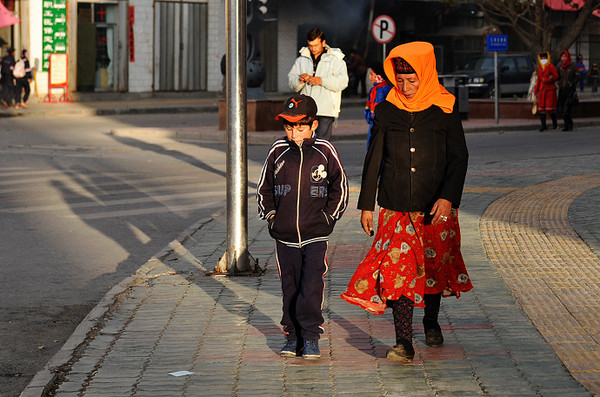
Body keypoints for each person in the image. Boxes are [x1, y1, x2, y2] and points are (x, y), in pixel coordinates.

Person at [340, 41, 472, 363]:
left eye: (412, 80)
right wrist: (367, 205)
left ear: (425, 74)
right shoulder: (387, 109)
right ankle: (404, 342)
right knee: (398, 273)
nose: (405, 87)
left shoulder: (445, 107)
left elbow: (459, 158)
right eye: (400, 80)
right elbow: (374, 159)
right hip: (395, 206)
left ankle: (430, 320)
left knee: (430, 270)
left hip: (434, 208)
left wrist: (447, 198)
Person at [257, 94, 349, 360]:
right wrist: (272, 216)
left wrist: (328, 217)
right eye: (288, 126)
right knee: (290, 286)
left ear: (314, 125)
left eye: (300, 126)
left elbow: (339, 187)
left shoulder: (325, 151)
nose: (294, 133)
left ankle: (310, 337)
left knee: (311, 286)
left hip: (315, 235)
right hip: (284, 237)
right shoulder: (277, 151)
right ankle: (292, 335)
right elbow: (264, 188)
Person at [288, 28, 349, 140]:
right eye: (310, 45)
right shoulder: (301, 60)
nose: (313, 49)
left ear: (323, 42)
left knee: (321, 143)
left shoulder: (336, 60)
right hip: (306, 110)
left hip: (326, 109)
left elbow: (343, 82)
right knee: (305, 141)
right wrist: (300, 80)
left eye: (316, 45)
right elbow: (291, 83)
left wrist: (322, 81)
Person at [364, 61, 392, 147]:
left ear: (379, 76)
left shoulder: (386, 89)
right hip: (373, 123)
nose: (370, 77)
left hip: (382, 124)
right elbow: (368, 106)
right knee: (371, 145)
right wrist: (369, 116)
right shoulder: (373, 90)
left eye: (372, 75)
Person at [534, 51, 558, 131]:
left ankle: (555, 124)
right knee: (541, 109)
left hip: (550, 90)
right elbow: (539, 80)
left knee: (550, 109)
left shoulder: (551, 67)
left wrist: (548, 79)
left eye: (544, 58)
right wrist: (535, 91)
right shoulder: (540, 68)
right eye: (542, 58)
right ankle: (543, 126)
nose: (543, 60)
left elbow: (556, 76)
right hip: (542, 91)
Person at [557, 50, 578, 131]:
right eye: (562, 57)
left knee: (567, 108)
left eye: (565, 56)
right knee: (562, 109)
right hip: (562, 90)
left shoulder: (572, 66)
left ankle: (569, 125)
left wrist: (572, 83)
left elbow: (578, 76)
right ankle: (567, 125)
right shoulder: (560, 67)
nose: (563, 58)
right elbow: (557, 77)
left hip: (570, 90)